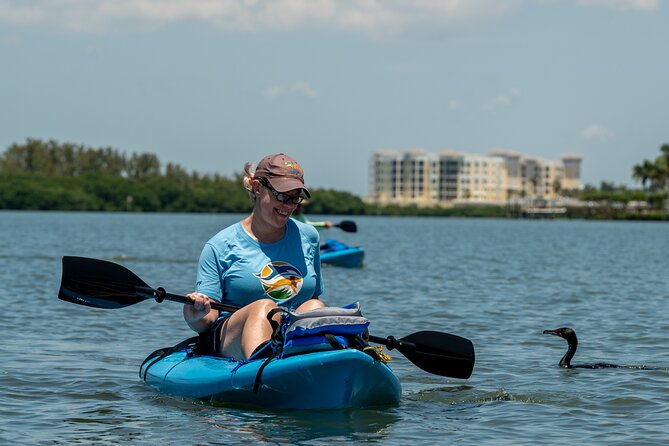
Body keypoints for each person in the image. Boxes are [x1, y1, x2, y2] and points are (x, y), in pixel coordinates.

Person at [184, 153, 326, 360]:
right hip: (230, 338)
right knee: (264, 307)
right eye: (282, 195)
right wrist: (194, 315)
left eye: (295, 198)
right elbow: (207, 321)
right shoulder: (219, 246)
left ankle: (306, 366)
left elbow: (312, 298)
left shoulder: (309, 237)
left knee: (316, 307)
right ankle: (261, 369)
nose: (289, 206)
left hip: (289, 333)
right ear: (258, 188)